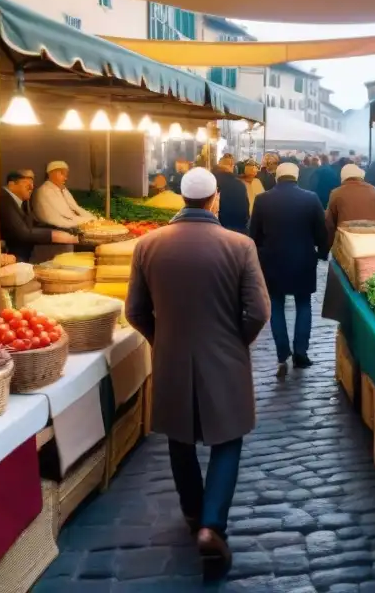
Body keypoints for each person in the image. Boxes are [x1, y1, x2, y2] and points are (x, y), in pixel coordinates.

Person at [125, 167, 270, 578]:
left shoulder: (147, 245)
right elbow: (259, 311)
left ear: (181, 199)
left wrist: (162, 339)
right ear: (215, 201)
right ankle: (212, 525)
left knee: (180, 437)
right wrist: (237, 340)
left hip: (171, 354)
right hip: (225, 354)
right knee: (227, 439)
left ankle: (192, 513)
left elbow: (134, 311)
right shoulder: (239, 245)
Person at [249, 162, 329, 378]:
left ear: (277, 177)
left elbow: (253, 234)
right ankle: (301, 353)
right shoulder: (311, 198)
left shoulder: (262, 199)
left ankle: (282, 353)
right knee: (304, 304)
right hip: (303, 259)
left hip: (272, 261)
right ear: (296, 176)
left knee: (276, 305)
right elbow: (322, 232)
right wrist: (321, 253)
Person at [0, 169, 77, 262]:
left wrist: (61, 229)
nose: (31, 187)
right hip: (13, 255)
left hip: (26, 251)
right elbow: (23, 233)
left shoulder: (21, 201)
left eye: (32, 183)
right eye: (26, 183)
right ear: (12, 185)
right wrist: (54, 235)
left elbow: (33, 223)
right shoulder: (4, 201)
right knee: (63, 247)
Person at [326, 163, 375, 245]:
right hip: (372, 241)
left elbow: (329, 224)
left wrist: (328, 247)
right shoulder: (374, 191)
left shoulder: (336, 193)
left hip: (347, 243)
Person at [32, 161, 96, 230]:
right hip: (56, 230)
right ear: (51, 173)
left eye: (66, 175)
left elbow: (76, 208)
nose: (66, 178)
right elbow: (56, 219)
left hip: (73, 224)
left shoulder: (63, 189)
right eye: (62, 174)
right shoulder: (43, 191)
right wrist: (86, 222)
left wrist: (93, 219)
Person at [214, 154, 250, 233]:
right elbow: (245, 211)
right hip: (237, 232)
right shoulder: (239, 185)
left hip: (216, 230)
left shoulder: (211, 181)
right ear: (232, 166)